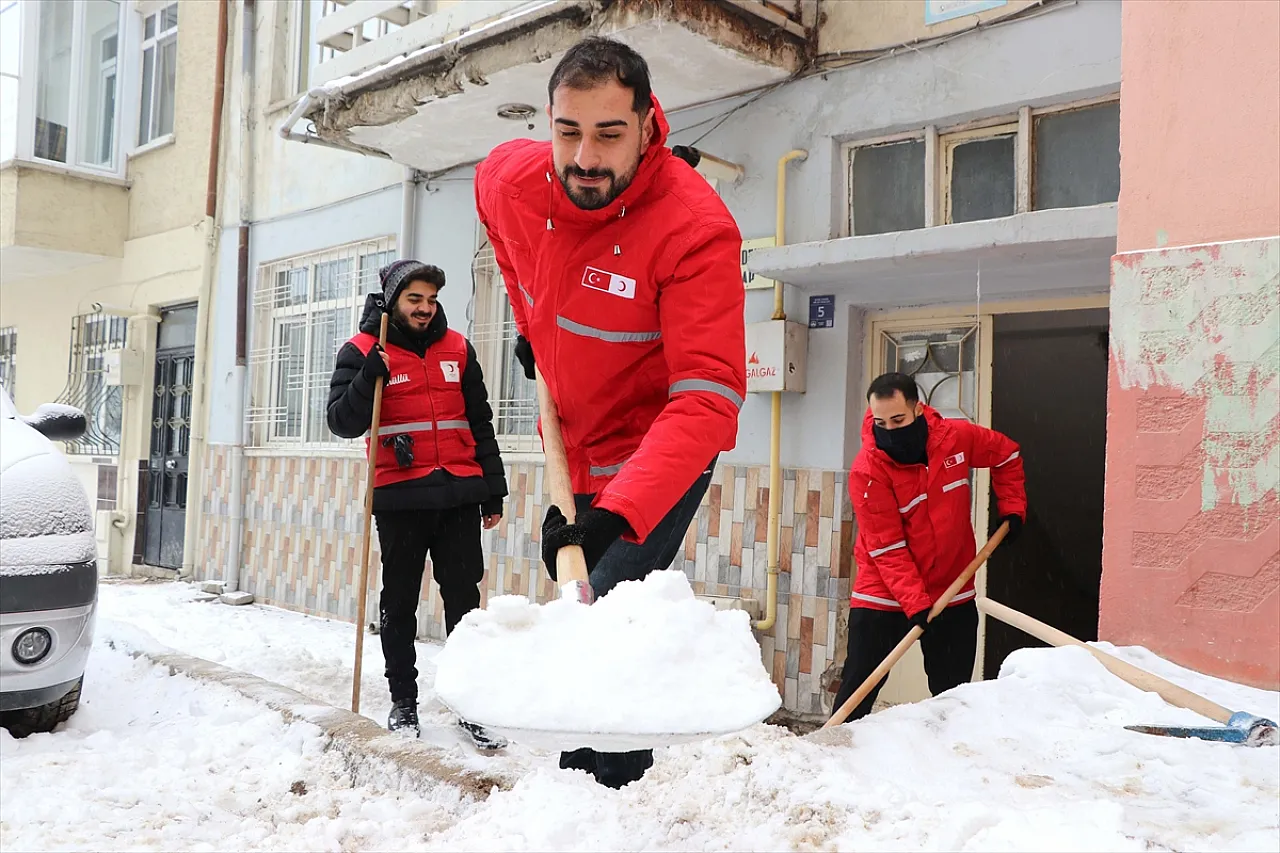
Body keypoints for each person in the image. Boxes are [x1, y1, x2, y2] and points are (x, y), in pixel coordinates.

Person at [473, 36, 747, 788]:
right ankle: (576, 789)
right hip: (574, 432)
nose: (585, 157)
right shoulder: (512, 180)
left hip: (658, 446)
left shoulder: (695, 228)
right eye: (569, 132)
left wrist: (616, 514)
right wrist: (530, 331)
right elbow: (498, 232)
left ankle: (605, 798)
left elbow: (710, 397)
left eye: (609, 134)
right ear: (549, 123)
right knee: (577, 613)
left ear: (648, 128)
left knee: (608, 618)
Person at [327, 259, 509, 750]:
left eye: (431, 300)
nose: (426, 309)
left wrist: (493, 490)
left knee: (464, 605)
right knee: (400, 602)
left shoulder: (458, 348)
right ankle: (403, 702)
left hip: (459, 495)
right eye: (415, 300)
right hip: (401, 499)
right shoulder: (363, 350)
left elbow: (480, 421)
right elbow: (342, 422)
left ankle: (471, 706)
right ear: (392, 301)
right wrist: (369, 375)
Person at [832, 372, 1027, 721]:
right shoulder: (869, 469)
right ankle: (831, 757)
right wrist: (916, 603)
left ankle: (948, 760)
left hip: (953, 586)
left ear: (918, 410)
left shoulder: (955, 438)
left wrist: (1011, 506)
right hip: (885, 593)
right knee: (859, 687)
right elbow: (886, 548)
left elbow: (1006, 455)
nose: (889, 430)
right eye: (880, 422)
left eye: (898, 420)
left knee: (952, 697)